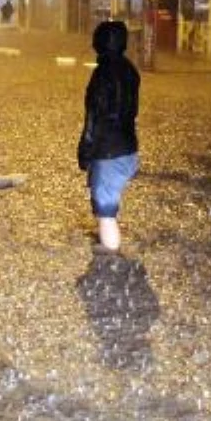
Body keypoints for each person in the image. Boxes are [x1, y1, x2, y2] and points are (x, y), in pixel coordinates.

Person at [77, 20, 140, 252]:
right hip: (128, 147)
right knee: (110, 197)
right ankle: (109, 236)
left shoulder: (101, 75)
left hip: (107, 152)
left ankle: (110, 253)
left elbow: (94, 117)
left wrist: (85, 151)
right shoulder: (130, 70)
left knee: (105, 208)